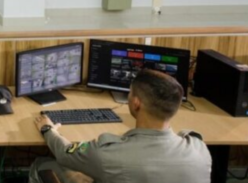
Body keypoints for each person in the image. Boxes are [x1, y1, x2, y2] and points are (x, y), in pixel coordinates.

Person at [30, 69, 212, 183]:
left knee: (41, 165)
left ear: (136, 103)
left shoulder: (107, 153)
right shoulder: (200, 150)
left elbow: (65, 152)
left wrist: (48, 129)